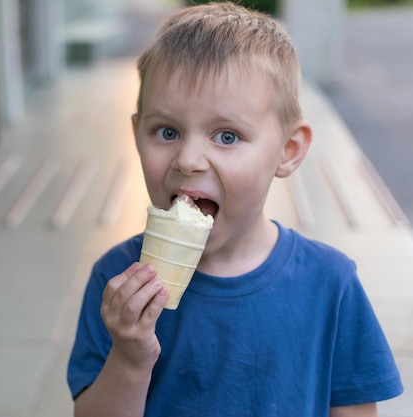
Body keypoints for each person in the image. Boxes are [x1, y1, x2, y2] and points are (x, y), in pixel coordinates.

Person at [67, 2, 403, 416]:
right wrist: (129, 357)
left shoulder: (330, 284)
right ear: (137, 136)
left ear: (287, 150)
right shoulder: (117, 281)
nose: (188, 159)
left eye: (226, 136)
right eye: (166, 131)